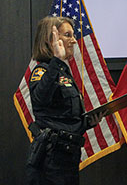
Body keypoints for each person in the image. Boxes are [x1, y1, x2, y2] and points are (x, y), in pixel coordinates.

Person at [26, 16, 105, 185]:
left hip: (68, 158)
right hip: (50, 159)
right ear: (51, 40)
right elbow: (40, 98)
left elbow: (64, 119)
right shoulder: (42, 71)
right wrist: (56, 59)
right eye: (68, 35)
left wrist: (88, 122)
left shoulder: (63, 73)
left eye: (73, 35)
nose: (74, 41)